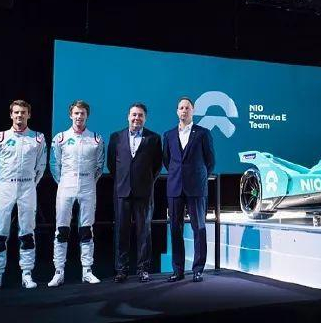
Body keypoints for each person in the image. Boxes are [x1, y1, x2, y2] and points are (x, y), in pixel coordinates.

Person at [0, 100, 47, 290]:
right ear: (11, 114)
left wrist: (30, 183)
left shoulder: (38, 138)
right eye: (17, 112)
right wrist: (4, 183)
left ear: (29, 115)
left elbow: (41, 166)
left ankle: (27, 273)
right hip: (6, 186)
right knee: (0, 232)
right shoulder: (0, 137)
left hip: (28, 187)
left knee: (27, 232)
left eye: (23, 112)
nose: (20, 115)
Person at [48, 100, 104, 287]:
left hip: (88, 185)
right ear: (70, 115)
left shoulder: (96, 139)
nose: (79, 116)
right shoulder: (60, 138)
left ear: (87, 116)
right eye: (76, 113)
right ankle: (58, 271)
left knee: (86, 228)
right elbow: (54, 164)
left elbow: (99, 165)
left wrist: (89, 180)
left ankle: (87, 270)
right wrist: (64, 181)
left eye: (82, 113)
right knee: (62, 228)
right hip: (66, 183)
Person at [107, 103, 162, 283]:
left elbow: (157, 165)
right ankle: (121, 270)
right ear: (128, 116)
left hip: (144, 192)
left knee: (144, 232)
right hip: (122, 191)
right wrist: (123, 180)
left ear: (145, 118)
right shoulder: (116, 137)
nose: (136, 118)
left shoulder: (154, 138)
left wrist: (146, 181)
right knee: (121, 231)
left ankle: (143, 269)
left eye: (140, 115)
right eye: (134, 115)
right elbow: (111, 164)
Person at [162, 97, 215, 283]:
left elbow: (210, 161)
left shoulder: (203, 133)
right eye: (181, 108)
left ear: (193, 111)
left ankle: (198, 269)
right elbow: (167, 160)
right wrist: (179, 175)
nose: (184, 110)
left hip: (196, 188)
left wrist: (198, 177)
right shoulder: (168, 135)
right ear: (177, 111)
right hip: (175, 187)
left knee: (199, 228)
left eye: (187, 108)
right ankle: (178, 270)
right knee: (175, 229)